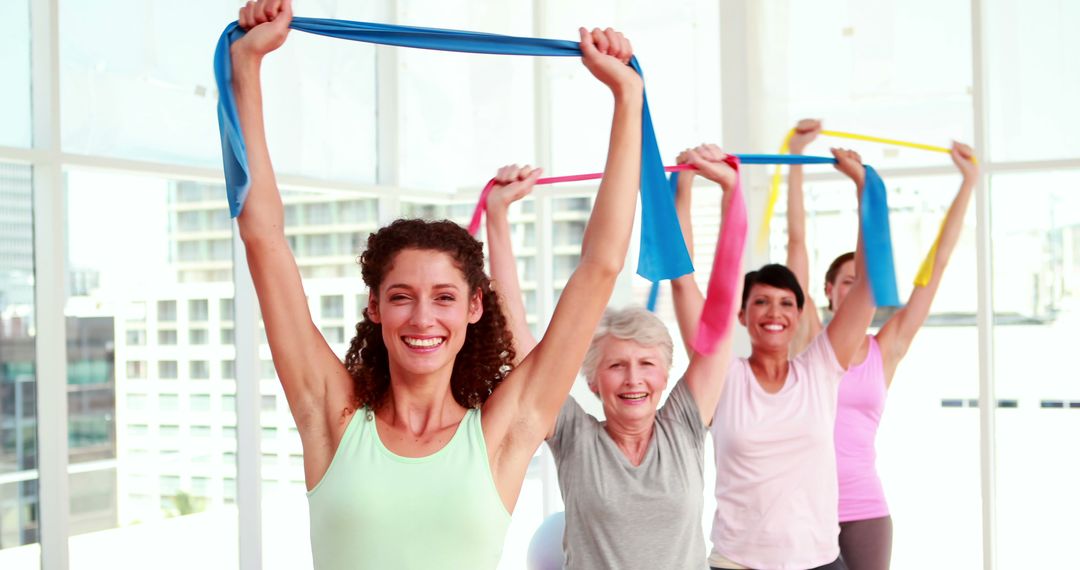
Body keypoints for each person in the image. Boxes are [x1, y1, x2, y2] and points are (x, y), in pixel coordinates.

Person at [231, 1, 643, 567]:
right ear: (375, 307)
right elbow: (264, 239)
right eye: (402, 297)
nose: (423, 318)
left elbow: (600, 265)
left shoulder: (502, 432)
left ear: (475, 306)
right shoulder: (333, 416)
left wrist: (627, 98)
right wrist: (246, 70)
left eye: (444, 297)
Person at [484, 144, 743, 569]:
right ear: (592, 380)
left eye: (646, 364)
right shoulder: (573, 435)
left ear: (665, 375)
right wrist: (497, 218)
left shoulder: (684, 423)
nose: (633, 379)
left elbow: (715, 317)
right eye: (616, 366)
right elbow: (517, 342)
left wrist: (732, 197)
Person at [785, 120, 979, 570]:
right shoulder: (807, 338)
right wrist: (796, 156)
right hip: (802, 507)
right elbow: (797, 244)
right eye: (846, 283)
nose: (856, 292)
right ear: (828, 291)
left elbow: (937, 265)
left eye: (862, 283)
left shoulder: (885, 348)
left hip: (867, 510)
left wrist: (968, 183)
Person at [672, 145, 877, 570]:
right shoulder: (723, 376)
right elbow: (682, 282)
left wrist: (863, 189)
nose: (774, 313)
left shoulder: (820, 370)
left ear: (800, 315)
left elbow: (869, 285)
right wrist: (685, 182)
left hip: (819, 561)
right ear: (742, 315)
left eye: (786, 303)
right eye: (762, 302)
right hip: (739, 563)